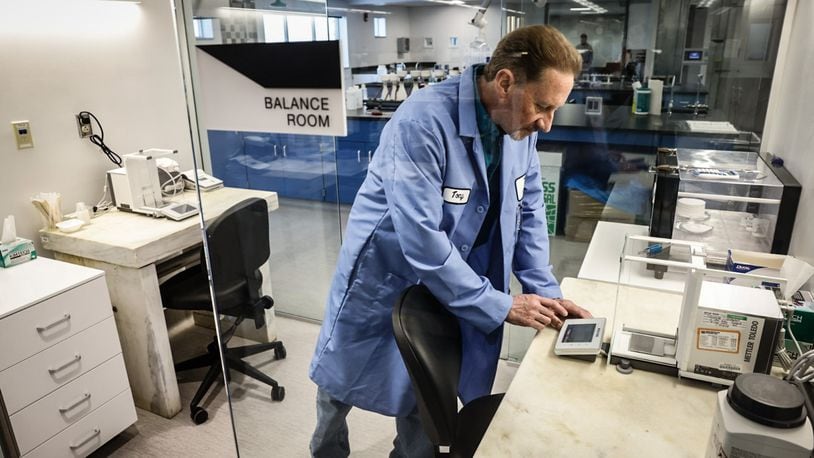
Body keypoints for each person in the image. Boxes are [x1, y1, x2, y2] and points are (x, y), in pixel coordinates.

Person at [309, 24, 592, 457]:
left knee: (428, 391)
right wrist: (501, 305)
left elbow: (529, 212)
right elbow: (421, 239)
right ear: (505, 83)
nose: (547, 124)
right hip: (384, 273)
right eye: (542, 105)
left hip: (457, 278)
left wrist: (545, 293)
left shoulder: (520, 131)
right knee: (338, 387)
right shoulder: (423, 121)